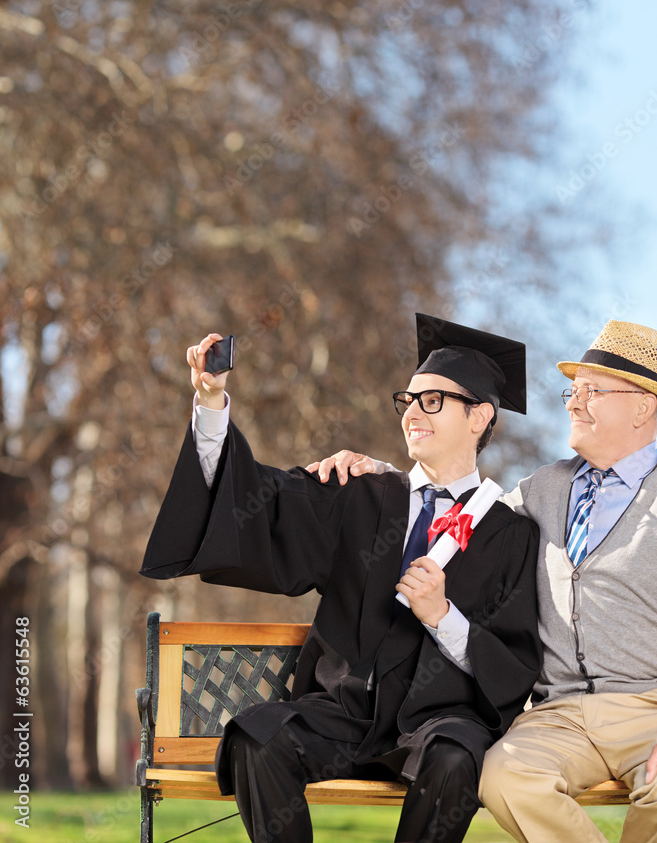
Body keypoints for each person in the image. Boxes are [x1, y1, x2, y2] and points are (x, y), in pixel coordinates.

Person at [311, 320, 657, 843]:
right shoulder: (544, 487)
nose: (573, 402)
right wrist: (389, 477)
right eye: (573, 390)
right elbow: (462, 507)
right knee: (503, 778)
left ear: (642, 406)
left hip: (655, 707)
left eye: (592, 390)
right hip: (558, 715)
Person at [139, 314, 541, 843]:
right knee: (255, 737)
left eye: (433, 401)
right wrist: (212, 404)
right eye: (409, 400)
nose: (413, 413)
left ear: (479, 416)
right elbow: (263, 502)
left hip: (439, 721)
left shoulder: (509, 533)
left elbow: (513, 664)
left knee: (455, 757)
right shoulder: (362, 494)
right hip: (346, 712)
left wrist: (443, 617)